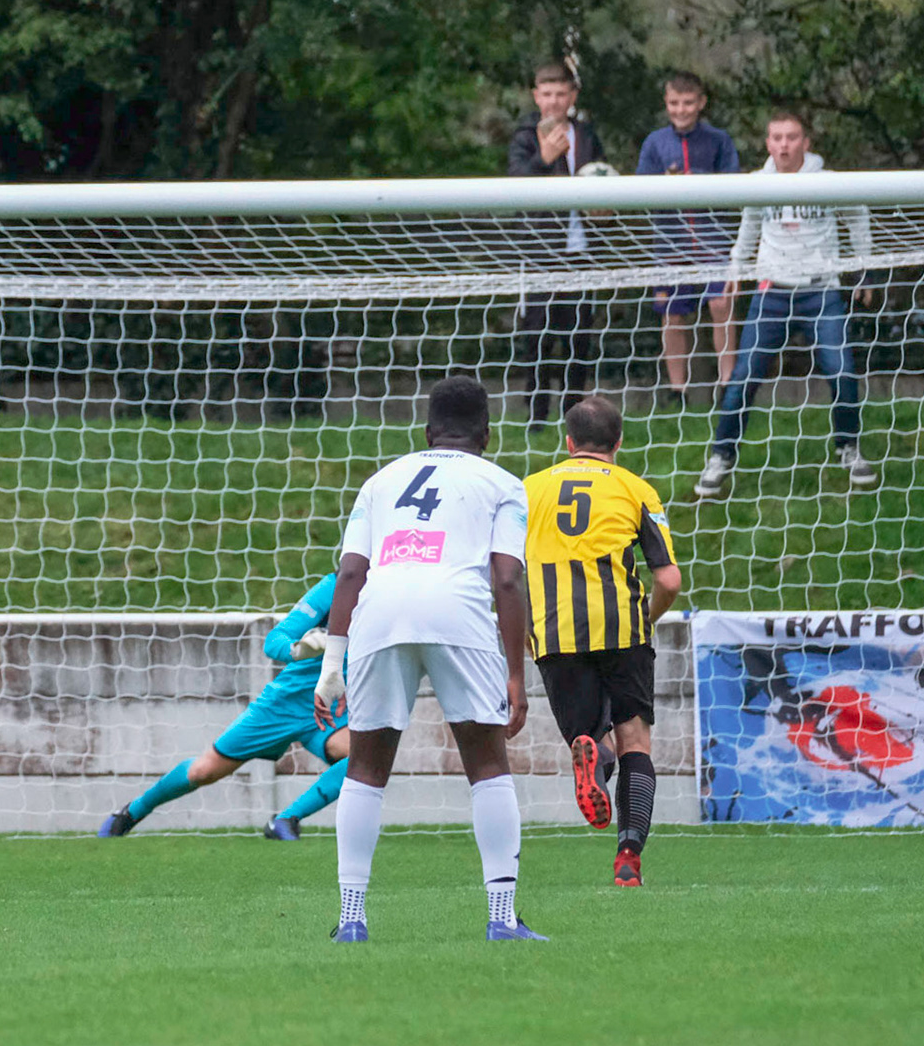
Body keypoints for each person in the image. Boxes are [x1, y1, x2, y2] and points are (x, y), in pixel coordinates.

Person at [313, 376, 542, 943]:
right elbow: (508, 579)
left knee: (365, 769)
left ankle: (350, 920)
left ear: (426, 431)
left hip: (380, 611)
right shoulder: (503, 483)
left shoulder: (381, 480)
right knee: (487, 764)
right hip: (457, 611)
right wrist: (516, 673)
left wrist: (330, 667)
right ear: (487, 434)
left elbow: (349, 572)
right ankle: (501, 917)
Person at [522, 396, 681, 886]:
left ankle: (595, 755)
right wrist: (645, 620)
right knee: (637, 740)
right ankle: (629, 854)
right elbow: (670, 580)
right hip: (621, 628)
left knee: (589, 737)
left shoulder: (525, 491)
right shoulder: (636, 490)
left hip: (554, 629)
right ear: (618, 442)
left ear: (568, 443)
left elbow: (502, 572)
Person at [696, 113, 878, 498]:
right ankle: (720, 456)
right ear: (767, 143)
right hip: (771, 293)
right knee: (743, 377)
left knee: (842, 371)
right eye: (776, 137)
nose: (783, 145)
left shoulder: (826, 184)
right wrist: (734, 270)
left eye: (791, 137)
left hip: (820, 292)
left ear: (806, 142)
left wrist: (864, 269)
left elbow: (858, 219)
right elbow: (747, 233)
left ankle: (848, 447)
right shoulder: (759, 185)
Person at [96, 573, 351, 840]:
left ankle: (286, 820)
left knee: (363, 756)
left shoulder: (390, 597)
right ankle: (133, 812)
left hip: (334, 708)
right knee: (203, 771)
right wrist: (298, 650)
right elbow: (276, 639)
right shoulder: (335, 586)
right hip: (282, 706)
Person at [508, 61, 605, 426]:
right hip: (538, 252)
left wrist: (604, 207)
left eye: (560, 93)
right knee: (537, 337)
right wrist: (543, 159)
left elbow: (602, 175)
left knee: (579, 337)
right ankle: (536, 417)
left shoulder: (588, 134)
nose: (553, 101)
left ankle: (574, 415)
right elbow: (515, 181)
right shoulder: (524, 136)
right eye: (546, 94)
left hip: (581, 251)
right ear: (536, 96)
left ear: (572, 96)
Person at [637, 72, 742, 406]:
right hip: (670, 243)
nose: (680, 110)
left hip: (713, 239)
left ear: (701, 103)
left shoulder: (719, 140)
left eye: (687, 103)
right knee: (672, 313)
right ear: (665, 104)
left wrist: (696, 180)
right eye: (673, 103)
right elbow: (640, 188)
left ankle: (728, 383)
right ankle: (677, 389)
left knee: (721, 304)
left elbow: (733, 184)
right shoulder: (655, 142)